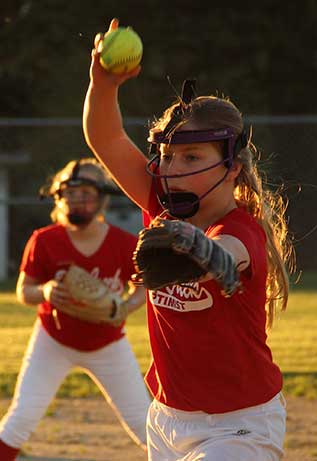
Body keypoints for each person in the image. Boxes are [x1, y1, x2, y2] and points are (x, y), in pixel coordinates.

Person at [83, 19, 294, 461]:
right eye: (168, 155)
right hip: (165, 420)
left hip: (240, 425)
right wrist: (102, 85)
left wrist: (205, 253)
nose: (174, 168)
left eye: (193, 156)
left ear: (231, 167)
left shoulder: (240, 229)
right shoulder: (161, 203)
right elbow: (106, 137)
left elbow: (232, 255)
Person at [0, 158, 150, 461]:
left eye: (86, 193)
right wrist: (45, 291)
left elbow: (143, 286)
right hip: (53, 341)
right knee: (21, 418)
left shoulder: (123, 244)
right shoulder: (44, 240)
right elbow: (24, 290)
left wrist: (127, 307)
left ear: (101, 198)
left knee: (145, 426)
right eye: (71, 194)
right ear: (59, 197)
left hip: (108, 344)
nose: (78, 201)